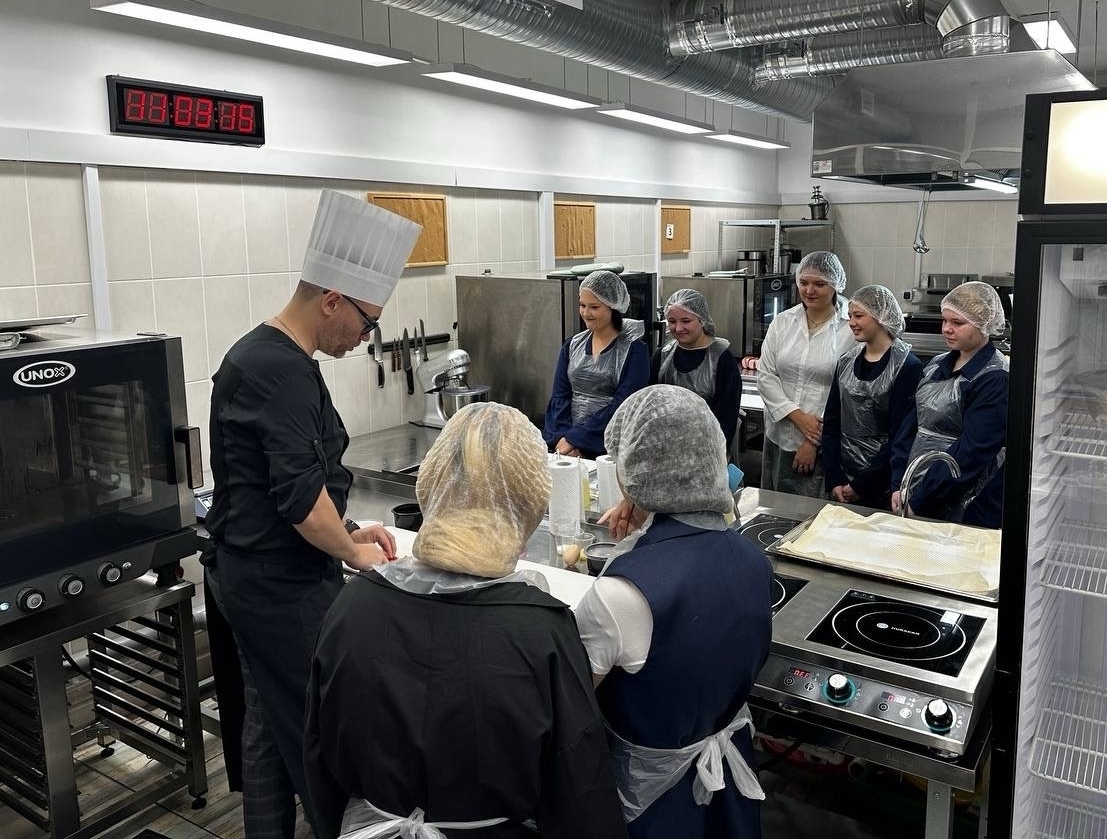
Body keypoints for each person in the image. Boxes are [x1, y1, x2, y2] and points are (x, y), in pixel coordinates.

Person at [304, 403, 627, 839]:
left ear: (432, 484)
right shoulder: (540, 632)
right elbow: (579, 785)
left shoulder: (351, 606)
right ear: (529, 501)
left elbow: (318, 757)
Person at [201, 189, 417, 839]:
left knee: (269, 720)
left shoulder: (261, 353)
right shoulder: (283, 371)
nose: (364, 337)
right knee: (317, 729)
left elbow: (277, 485)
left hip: (246, 571)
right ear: (332, 300)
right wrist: (351, 552)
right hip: (278, 585)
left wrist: (347, 529)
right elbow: (298, 500)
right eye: (366, 323)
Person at [575, 386, 773, 838]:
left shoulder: (622, 594)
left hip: (651, 807)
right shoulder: (755, 562)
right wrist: (647, 523)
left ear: (633, 471)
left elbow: (569, 710)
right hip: (728, 787)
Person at [890, 280, 1009, 528]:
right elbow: (910, 426)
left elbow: (971, 452)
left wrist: (921, 499)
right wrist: (899, 482)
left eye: (957, 323)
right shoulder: (937, 365)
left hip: (967, 501)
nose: (946, 329)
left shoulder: (995, 377)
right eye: (944, 320)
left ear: (983, 324)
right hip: (914, 489)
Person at [751, 251, 853, 497]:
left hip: (825, 440)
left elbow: (849, 392)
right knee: (776, 507)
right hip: (779, 434)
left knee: (815, 510)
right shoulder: (783, 322)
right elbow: (766, 376)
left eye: (819, 284)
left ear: (836, 285)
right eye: (804, 282)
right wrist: (797, 417)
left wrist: (813, 440)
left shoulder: (851, 328)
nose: (809, 291)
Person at [821, 284, 924, 510]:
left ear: (882, 316)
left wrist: (862, 485)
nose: (852, 323)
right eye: (850, 316)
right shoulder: (846, 361)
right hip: (842, 481)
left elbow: (901, 435)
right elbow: (831, 422)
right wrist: (835, 476)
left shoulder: (907, 367)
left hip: (882, 484)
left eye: (859, 316)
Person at [544, 270, 650, 459]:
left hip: (609, 447)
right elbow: (560, 397)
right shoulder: (572, 345)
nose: (586, 313)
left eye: (594, 307)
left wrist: (576, 439)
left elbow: (623, 405)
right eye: (582, 305)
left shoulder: (634, 351)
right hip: (566, 447)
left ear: (613, 307)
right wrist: (561, 439)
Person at [653, 287, 742, 448]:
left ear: (702, 320)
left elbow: (726, 417)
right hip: (664, 445)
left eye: (686, 321)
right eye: (672, 321)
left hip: (708, 447)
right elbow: (650, 405)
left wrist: (713, 452)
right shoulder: (662, 355)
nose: (678, 328)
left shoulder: (721, 359)